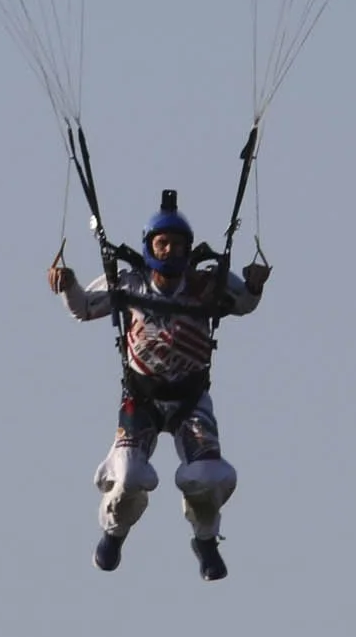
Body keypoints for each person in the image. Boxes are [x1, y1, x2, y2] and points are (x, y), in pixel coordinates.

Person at [48, 192, 271, 580]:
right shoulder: (128, 281)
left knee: (210, 477)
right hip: (142, 399)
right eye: (161, 243)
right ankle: (114, 533)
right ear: (149, 245)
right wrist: (68, 285)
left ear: (187, 248)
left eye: (177, 244)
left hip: (191, 402)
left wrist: (254, 285)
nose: (169, 251)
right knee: (131, 476)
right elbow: (84, 308)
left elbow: (244, 305)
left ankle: (204, 540)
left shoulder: (207, 283)